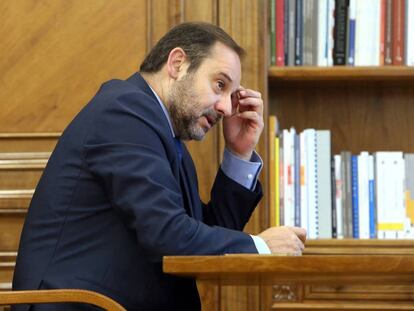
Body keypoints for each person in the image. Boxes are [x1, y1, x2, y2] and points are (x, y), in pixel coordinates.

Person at [12, 22, 306, 310]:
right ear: (178, 64)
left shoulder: (167, 137)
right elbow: (169, 235)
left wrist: (239, 154)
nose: (227, 108)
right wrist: (261, 246)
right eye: (219, 85)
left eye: (232, 96)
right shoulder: (125, 111)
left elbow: (201, 238)